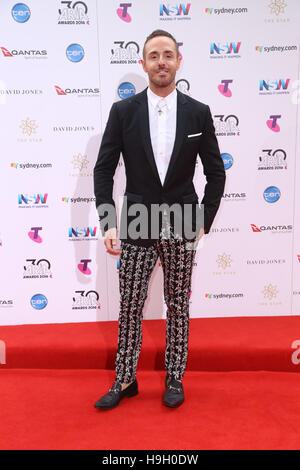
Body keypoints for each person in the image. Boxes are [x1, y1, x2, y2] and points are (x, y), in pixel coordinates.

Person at [93, 29, 225, 409]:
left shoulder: (198, 111)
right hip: (136, 218)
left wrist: (205, 219)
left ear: (178, 61)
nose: (161, 61)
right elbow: (103, 171)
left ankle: (175, 378)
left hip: (183, 217)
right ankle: (124, 380)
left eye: (168, 54)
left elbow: (216, 172)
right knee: (130, 304)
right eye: (154, 55)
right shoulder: (123, 111)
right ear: (144, 63)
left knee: (177, 303)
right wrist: (108, 221)